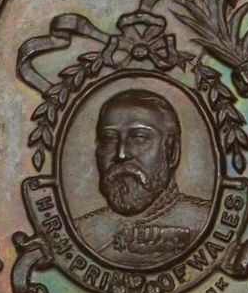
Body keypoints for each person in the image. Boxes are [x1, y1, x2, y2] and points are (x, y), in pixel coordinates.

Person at [74, 88, 211, 269]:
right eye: (109, 139)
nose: (121, 154)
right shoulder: (81, 232)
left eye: (139, 138)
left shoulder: (205, 222)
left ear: (172, 152)